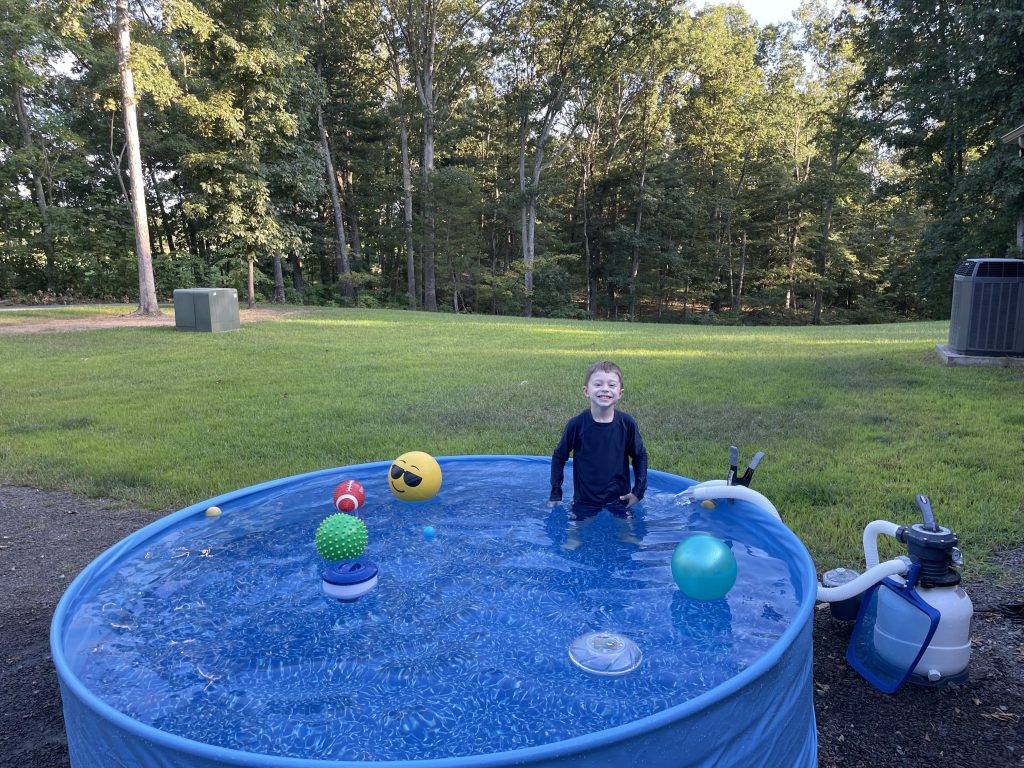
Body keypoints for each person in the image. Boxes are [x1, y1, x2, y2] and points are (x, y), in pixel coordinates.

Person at [549, 361, 648, 516]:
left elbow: (640, 455)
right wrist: (556, 492)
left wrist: (638, 491)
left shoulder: (626, 424)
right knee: (575, 539)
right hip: (585, 501)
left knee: (627, 537)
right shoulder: (577, 425)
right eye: (598, 384)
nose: (605, 389)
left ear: (620, 393)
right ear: (586, 391)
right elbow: (559, 456)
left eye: (611, 385)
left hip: (620, 499)